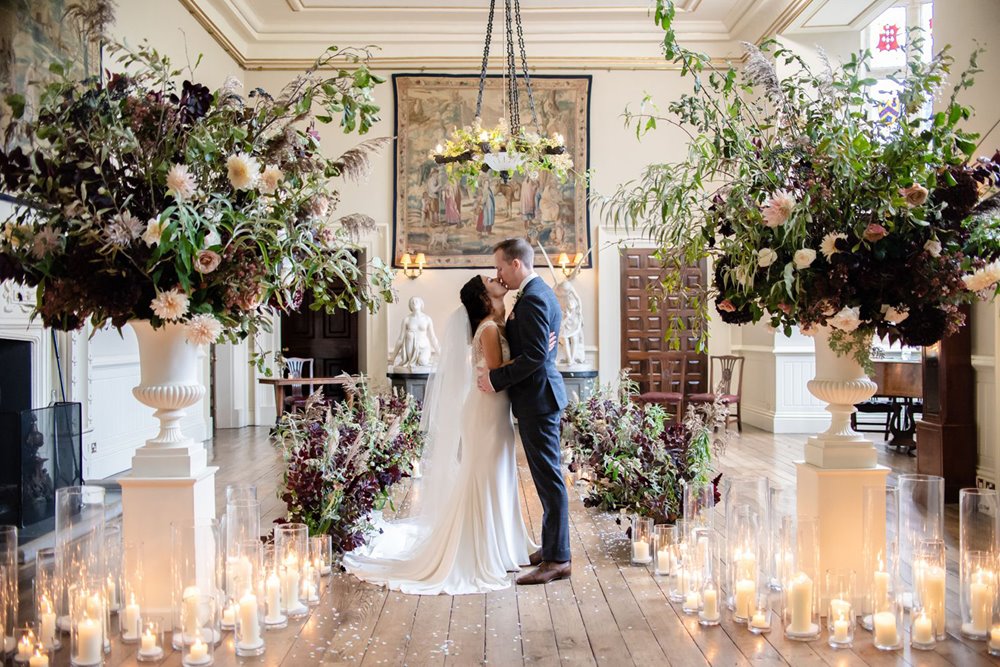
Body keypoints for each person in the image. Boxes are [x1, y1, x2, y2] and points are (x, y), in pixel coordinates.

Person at [344, 275, 548, 595]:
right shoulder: (490, 329)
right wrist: (538, 353)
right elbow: (498, 371)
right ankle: (486, 548)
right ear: (483, 296)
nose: (497, 279)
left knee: (495, 475)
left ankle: (502, 545)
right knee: (486, 477)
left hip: (489, 410)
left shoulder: (490, 325)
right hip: (486, 412)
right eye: (490, 280)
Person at [477, 238, 571, 585]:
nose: (497, 274)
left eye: (500, 267)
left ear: (516, 264)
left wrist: (495, 378)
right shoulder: (538, 294)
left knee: (549, 480)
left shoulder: (532, 300)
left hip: (539, 399)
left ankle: (558, 559)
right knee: (547, 478)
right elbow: (536, 351)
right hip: (538, 397)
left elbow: (533, 357)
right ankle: (551, 548)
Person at [389, 297, 439, 370]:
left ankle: (422, 359)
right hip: (411, 348)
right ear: (410, 306)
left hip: (424, 346)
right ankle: (411, 360)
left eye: (416, 301)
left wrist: (439, 352)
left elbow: (433, 337)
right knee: (409, 335)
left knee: (422, 361)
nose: (414, 302)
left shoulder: (427, 319)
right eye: (412, 302)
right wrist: (393, 357)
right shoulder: (407, 319)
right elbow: (400, 339)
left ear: (421, 304)